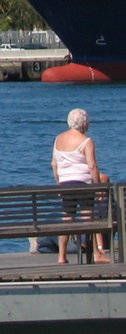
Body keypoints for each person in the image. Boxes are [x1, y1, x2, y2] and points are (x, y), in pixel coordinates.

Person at [52, 107, 107, 264]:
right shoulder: (86, 141)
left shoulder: (58, 140)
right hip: (83, 183)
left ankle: (61, 256)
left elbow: (54, 165)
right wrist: (97, 187)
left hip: (65, 184)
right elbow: (92, 166)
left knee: (67, 219)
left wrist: (58, 183)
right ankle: (96, 253)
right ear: (84, 123)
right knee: (88, 218)